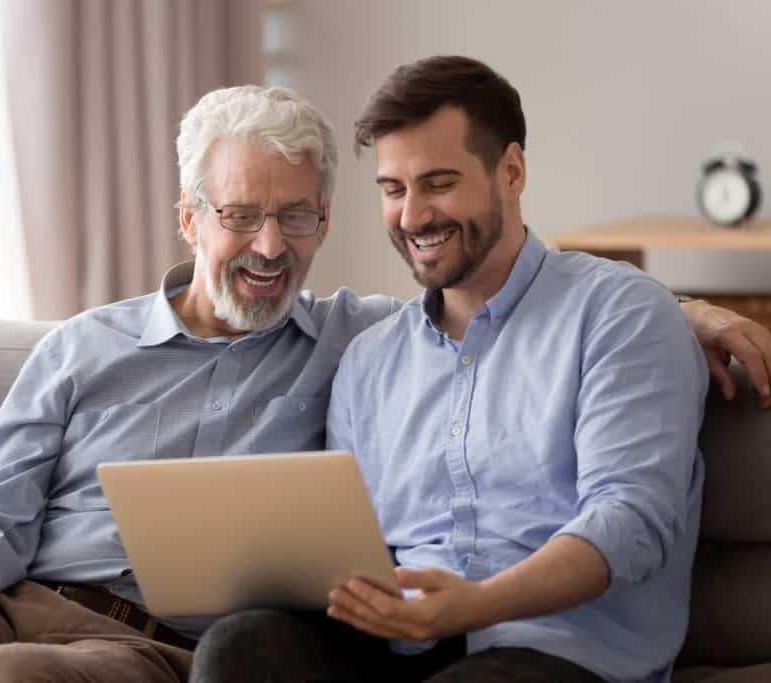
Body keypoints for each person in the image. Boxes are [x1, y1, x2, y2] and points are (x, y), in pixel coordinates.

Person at [0, 82, 771, 683]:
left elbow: (516, 308)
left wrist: (679, 309)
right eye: (244, 215)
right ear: (189, 218)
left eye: (299, 218)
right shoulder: (80, 347)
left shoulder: (358, 339)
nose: (272, 246)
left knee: (9, 679)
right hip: (20, 596)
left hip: (151, 644)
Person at [190, 57, 725, 683]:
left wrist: (476, 606)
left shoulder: (621, 314)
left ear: (513, 171)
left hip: (556, 651)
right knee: (240, 649)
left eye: (438, 183)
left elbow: (631, 520)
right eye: (394, 189)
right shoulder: (369, 359)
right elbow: (354, 546)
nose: (413, 216)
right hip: (400, 647)